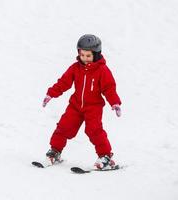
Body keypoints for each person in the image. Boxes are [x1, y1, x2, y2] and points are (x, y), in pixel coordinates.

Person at [42, 34, 122, 170]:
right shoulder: (75, 67)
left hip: (93, 107)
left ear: (96, 55)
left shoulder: (102, 70)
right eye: (82, 55)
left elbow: (109, 88)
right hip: (76, 105)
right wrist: (51, 93)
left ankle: (106, 157)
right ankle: (55, 151)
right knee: (63, 127)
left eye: (88, 56)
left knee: (94, 131)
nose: (84, 58)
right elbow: (64, 82)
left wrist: (115, 102)